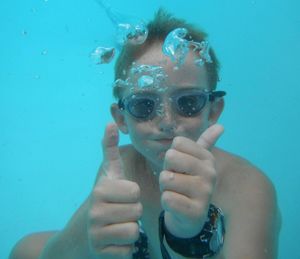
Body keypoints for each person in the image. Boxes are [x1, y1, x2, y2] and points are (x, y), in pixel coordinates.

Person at [10, 8, 281, 259]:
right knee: (24, 250)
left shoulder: (248, 188)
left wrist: (189, 237)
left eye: (188, 102)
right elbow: (53, 255)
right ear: (122, 118)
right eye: (143, 105)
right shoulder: (122, 168)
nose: (166, 122)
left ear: (213, 111)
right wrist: (91, 243)